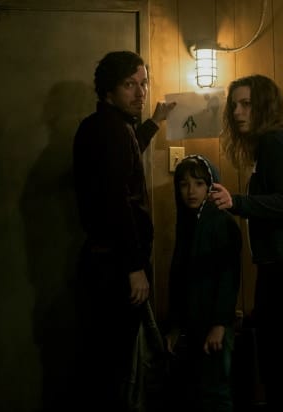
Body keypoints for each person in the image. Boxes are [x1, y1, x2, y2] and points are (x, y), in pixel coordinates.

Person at [208, 74, 283, 412]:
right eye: (234, 105)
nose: (237, 112)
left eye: (246, 104)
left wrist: (236, 202)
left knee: (278, 370)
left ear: (264, 106)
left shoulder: (274, 144)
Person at [72, 50, 175, 412]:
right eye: (130, 84)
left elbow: (124, 161)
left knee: (114, 361)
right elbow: (116, 201)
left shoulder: (108, 127)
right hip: (114, 266)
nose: (141, 92)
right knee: (117, 365)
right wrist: (134, 267)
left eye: (143, 83)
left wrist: (154, 123)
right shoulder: (110, 131)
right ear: (109, 90)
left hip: (107, 261)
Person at [165, 155, 242, 412]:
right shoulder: (187, 223)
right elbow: (178, 278)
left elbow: (228, 277)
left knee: (216, 392)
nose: (191, 191)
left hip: (214, 323)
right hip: (191, 324)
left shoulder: (221, 222)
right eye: (184, 184)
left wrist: (219, 324)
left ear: (211, 186)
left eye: (198, 184)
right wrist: (174, 326)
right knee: (195, 392)